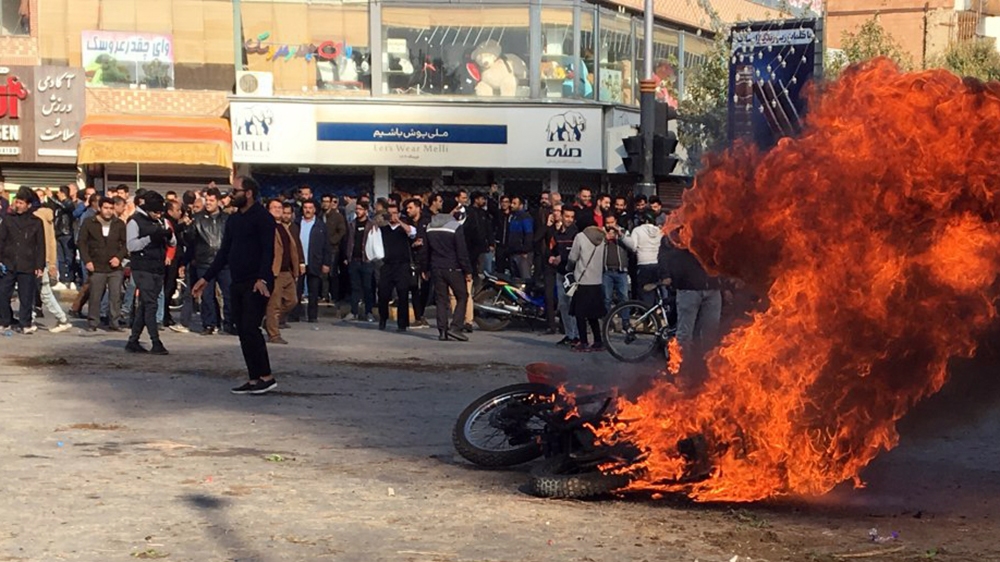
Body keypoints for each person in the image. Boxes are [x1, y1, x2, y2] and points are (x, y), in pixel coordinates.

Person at [193, 176, 277, 395]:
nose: (231, 195)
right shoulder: (234, 220)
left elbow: (268, 251)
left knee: (251, 328)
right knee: (242, 330)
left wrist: (263, 278)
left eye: (235, 191)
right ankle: (253, 378)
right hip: (237, 280)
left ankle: (266, 376)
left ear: (248, 193)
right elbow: (224, 253)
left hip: (257, 282)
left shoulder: (263, 217)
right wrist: (206, 278)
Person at [660, 229, 722, 388]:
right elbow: (666, 254)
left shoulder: (713, 230)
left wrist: (725, 285)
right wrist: (669, 276)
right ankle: (681, 369)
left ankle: (706, 370)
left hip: (712, 289)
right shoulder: (680, 230)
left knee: (710, 332)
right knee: (685, 333)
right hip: (688, 289)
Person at [125, 191, 175, 354]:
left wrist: (169, 236)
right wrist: (150, 238)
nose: (159, 215)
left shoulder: (161, 221)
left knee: (146, 304)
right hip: (142, 267)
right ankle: (156, 341)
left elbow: (173, 242)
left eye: (161, 212)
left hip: (157, 267)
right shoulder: (134, 221)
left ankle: (133, 340)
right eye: (156, 212)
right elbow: (131, 246)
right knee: (151, 304)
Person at [423, 198, 472, 342]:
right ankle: (455, 327)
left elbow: (426, 250)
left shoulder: (430, 226)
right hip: (453, 267)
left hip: (436, 267)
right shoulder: (455, 226)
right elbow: (462, 251)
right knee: (462, 296)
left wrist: (425, 268)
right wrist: (467, 270)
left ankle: (442, 331)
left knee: (441, 299)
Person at [79, 196, 127, 332]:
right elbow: (82, 243)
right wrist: (87, 260)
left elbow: (125, 244)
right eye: (106, 208)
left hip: (114, 267)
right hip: (96, 265)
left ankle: (114, 322)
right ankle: (93, 322)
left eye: (111, 208)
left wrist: (118, 257)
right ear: (100, 208)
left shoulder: (119, 224)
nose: (108, 211)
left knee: (115, 295)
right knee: (95, 295)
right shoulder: (89, 222)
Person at [187, 187, 231, 335]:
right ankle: (209, 324)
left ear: (218, 201)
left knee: (229, 294)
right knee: (206, 296)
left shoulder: (227, 218)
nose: (208, 203)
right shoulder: (197, 218)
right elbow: (190, 240)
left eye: (212, 200)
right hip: (204, 262)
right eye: (207, 200)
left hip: (224, 262)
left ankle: (230, 323)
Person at [0, 187, 44, 333]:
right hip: (8, 263)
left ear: (28, 205)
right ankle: (5, 320)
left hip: (28, 263)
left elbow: (40, 245)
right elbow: (1, 240)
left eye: (21, 203)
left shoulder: (36, 222)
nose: (18, 205)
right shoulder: (8, 220)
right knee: (2, 293)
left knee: (26, 297)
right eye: (16, 202)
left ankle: (25, 323)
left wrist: (40, 265)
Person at [265, 198, 304, 344]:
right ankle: (274, 334)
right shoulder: (267, 227)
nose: (278, 210)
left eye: (280, 207)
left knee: (292, 301)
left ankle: (269, 320)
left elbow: (294, 248)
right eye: (274, 207)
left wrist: (297, 266)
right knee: (274, 305)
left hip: (288, 271)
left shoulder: (285, 227)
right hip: (275, 272)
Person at [32, 191, 72, 332]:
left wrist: (50, 263)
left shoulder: (36, 217)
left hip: (38, 260)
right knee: (37, 291)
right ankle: (30, 317)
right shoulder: (46, 216)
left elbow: (42, 242)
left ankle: (62, 319)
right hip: (44, 259)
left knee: (43, 291)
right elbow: (51, 242)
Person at [376, 201, 417, 331]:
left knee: (403, 294)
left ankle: (402, 324)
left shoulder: (404, 228)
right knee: (383, 293)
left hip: (402, 265)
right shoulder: (382, 230)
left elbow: (412, 233)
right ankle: (383, 318)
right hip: (387, 265)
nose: (392, 216)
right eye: (390, 214)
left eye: (394, 213)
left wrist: (399, 221)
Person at [567, 221, 607, 352]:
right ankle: (598, 341)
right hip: (597, 280)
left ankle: (583, 342)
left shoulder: (580, 237)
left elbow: (573, 257)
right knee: (593, 314)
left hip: (582, 280)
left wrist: (568, 268)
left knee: (580, 314)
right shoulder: (601, 238)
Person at [295, 199, 332, 323]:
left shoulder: (321, 225)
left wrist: (326, 263)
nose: (308, 210)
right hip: (299, 261)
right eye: (305, 207)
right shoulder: (297, 223)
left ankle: (312, 316)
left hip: (315, 261)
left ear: (314, 210)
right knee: (297, 290)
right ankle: (295, 315)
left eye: (310, 208)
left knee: (314, 291)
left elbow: (327, 246)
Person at [550, 206, 579, 346]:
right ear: (561, 216)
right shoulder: (556, 234)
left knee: (573, 304)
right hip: (560, 273)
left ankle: (577, 335)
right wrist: (551, 257)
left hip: (573, 274)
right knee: (563, 305)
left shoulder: (576, 234)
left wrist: (562, 257)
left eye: (571, 217)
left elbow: (576, 253)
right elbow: (552, 249)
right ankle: (569, 334)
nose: (569, 219)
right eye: (567, 216)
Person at [623, 211, 663, 306]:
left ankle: (647, 311)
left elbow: (633, 246)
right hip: (657, 263)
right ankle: (656, 309)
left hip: (643, 263)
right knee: (656, 288)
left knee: (644, 291)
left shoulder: (637, 230)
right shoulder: (660, 231)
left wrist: (623, 237)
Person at [344, 203, 376, 322]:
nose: (358, 211)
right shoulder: (352, 224)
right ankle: (354, 311)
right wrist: (347, 256)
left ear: (366, 211)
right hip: (354, 260)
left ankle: (369, 312)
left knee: (368, 287)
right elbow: (347, 241)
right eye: (356, 209)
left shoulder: (371, 225)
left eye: (360, 209)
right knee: (355, 287)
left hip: (366, 260)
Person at [404, 198, 431, 328]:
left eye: (410, 208)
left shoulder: (427, 221)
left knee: (426, 289)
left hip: (426, 259)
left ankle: (421, 314)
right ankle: (418, 316)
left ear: (418, 208)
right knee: (414, 287)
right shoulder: (406, 222)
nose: (408, 210)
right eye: (407, 208)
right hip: (412, 259)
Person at [602, 213, 632, 327]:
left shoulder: (623, 232)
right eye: (607, 223)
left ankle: (626, 322)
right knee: (606, 298)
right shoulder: (601, 233)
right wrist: (604, 239)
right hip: (606, 271)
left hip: (621, 271)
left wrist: (620, 235)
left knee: (624, 297)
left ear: (616, 222)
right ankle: (607, 323)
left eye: (612, 222)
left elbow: (632, 246)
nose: (610, 225)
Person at [324, 195, 347, 303]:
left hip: (333, 248)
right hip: (321, 248)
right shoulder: (320, 215)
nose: (325, 203)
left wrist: (333, 240)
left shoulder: (338, 216)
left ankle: (335, 296)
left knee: (332, 273)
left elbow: (342, 231)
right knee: (322, 274)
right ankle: (324, 295)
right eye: (323, 201)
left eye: (327, 201)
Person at [506, 195, 534, 280]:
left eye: (515, 203)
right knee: (515, 279)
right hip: (513, 252)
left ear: (521, 205)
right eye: (512, 203)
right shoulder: (512, 216)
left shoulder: (525, 217)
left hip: (522, 253)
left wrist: (525, 250)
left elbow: (529, 234)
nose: (511, 205)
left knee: (524, 277)